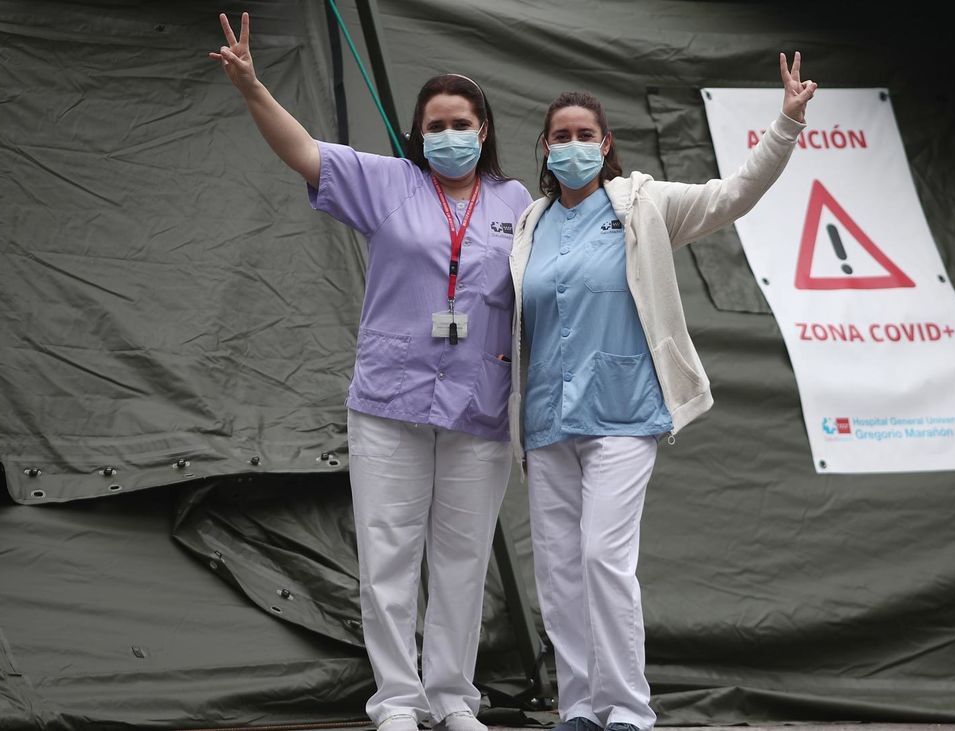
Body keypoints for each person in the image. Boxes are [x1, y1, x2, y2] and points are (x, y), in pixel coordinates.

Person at [210, 13, 531, 731]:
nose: (450, 133)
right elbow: (300, 150)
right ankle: (396, 700)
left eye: (463, 120)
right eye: (436, 123)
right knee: (388, 551)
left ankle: (452, 698)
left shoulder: (517, 204)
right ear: (418, 134)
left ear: (485, 128)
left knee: (462, 557)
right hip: (391, 399)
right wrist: (252, 86)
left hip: (480, 405)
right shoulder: (386, 182)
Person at [507, 54, 817, 731]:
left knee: (601, 558)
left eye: (586, 134)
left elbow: (734, 194)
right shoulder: (528, 223)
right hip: (544, 422)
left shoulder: (644, 205)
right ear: (544, 147)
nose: (573, 146)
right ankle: (580, 706)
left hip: (623, 414)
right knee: (559, 572)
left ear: (607, 143)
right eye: (560, 136)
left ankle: (627, 710)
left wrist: (787, 121)